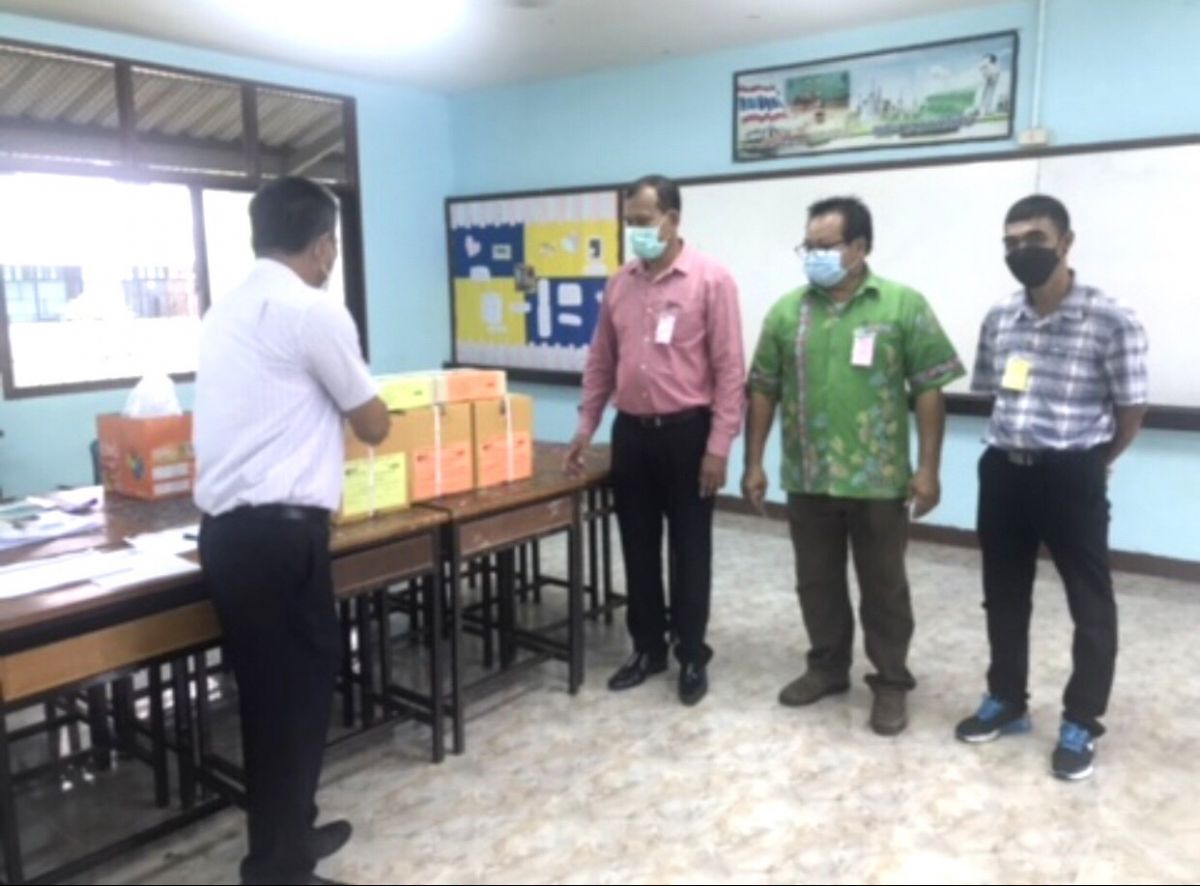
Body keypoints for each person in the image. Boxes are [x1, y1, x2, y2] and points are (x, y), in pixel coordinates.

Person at [194, 176, 390, 885]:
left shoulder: (223, 311)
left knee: (273, 695)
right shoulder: (313, 311)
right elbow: (373, 422)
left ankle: (292, 834)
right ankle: (278, 868)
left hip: (228, 536)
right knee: (294, 698)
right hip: (280, 538)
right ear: (325, 245)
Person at [742, 196, 963, 736]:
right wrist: (753, 463)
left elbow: (929, 389)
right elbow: (763, 389)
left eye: (825, 246)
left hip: (878, 481)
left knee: (884, 587)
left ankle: (890, 681)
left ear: (860, 247)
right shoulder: (787, 312)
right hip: (808, 476)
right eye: (808, 246)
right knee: (816, 583)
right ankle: (826, 668)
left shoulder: (901, 305)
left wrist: (928, 469)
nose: (813, 256)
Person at [955, 194, 1148, 781]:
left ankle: (1081, 721)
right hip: (1003, 471)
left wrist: (1093, 461)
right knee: (1003, 594)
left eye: (1034, 239)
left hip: (1071, 474)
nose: (1022, 251)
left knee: (1090, 603)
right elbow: (992, 391)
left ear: (1065, 242)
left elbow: (1131, 410)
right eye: (1011, 243)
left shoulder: (1112, 319)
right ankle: (1006, 700)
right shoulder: (999, 318)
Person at [565, 173, 745, 706]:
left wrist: (718, 447)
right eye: (629, 222)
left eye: (643, 221)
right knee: (637, 546)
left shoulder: (712, 280)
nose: (635, 231)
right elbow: (601, 361)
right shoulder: (620, 283)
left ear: (672, 219)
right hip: (633, 434)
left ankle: (691, 652)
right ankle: (648, 648)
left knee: (690, 549)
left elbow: (729, 370)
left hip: (688, 433)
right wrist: (585, 427)